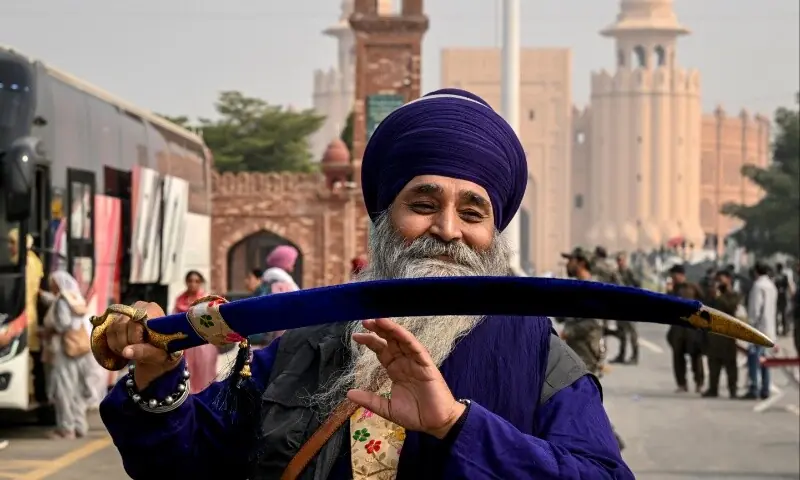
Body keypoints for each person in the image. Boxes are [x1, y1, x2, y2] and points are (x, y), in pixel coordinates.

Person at [99, 89, 633, 479]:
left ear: (493, 232)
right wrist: (156, 374)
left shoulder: (543, 360)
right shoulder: (308, 342)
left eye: (472, 212)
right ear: (382, 218)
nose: (447, 230)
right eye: (423, 205)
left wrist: (456, 426)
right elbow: (185, 463)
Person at [38, 271, 94, 439]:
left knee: (63, 390)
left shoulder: (62, 300)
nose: (51, 286)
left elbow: (63, 324)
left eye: (52, 282)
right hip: (79, 348)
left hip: (64, 350)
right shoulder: (75, 297)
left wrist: (46, 331)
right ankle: (79, 427)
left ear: (59, 283)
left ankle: (66, 428)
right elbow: (54, 301)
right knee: (75, 390)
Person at [7, 228, 47, 405]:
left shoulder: (25, 263)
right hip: (28, 314)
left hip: (24, 315)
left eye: (12, 242)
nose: (9, 247)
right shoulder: (33, 261)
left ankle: (31, 393)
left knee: (26, 354)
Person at [173, 270, 218, 394]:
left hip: (203, 343)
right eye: (190, 281)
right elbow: (175, 321)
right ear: (186, 282)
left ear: (201, 283)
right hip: (186, 343)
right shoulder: (179, 300)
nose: (193, 284)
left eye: (196, 281)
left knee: (205, 374)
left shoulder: (206, 300)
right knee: (186, 373)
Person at [666, 264, 705, 393]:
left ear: (681, 275)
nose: (673, 278)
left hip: (691, 328)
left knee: (695, 357)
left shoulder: (692, 287)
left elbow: (703, 302)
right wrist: (670, 291)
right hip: (677, 328)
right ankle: (682, 384)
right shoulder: (672, 289)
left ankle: (699, 382)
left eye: (674, 276)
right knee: (678, 357)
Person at [702, 270, 740, 399]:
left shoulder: (733, 295)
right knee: (713, 363)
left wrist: (719, 296)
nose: (718, 282)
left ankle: (733, 389)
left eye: (721, 279)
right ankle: (713, 388)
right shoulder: (712, 295)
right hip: (714, 335)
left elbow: (731, 307)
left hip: (728, 335)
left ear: (728, 280)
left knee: (731, 365)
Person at [743, 261, 777, 400]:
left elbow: (755, 310)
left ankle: (754, 388)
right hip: (769, 328)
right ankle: (765, 388)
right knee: (765, 361)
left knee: (754, 359)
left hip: (758, 329)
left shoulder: (758, 286)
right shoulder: (771, 285)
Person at [612, 252, 641, 364]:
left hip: (630, 306)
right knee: (621, 332)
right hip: (619, 306)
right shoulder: (615, 273)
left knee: (632, 333)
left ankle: (635, 356)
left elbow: (638, 285)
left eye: (621, 260)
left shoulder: (629, 272)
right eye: (618, 260)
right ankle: (621, 355)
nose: (620, 262)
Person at [774, 263, 790, 337]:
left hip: (782, 297)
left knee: (783, 315)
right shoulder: (776, 277)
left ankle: (784, 330)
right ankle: (777, 330)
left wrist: (782, 289)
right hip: (778, 297)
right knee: (777, 314)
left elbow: (786, 285)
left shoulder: (784, 276)